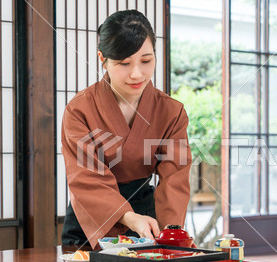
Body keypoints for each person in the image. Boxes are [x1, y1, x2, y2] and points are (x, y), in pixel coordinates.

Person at [61, 10, 192, 249]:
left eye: (146, 61)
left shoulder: (171, 112)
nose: (136, 74)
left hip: (149, 221)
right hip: (92, 219)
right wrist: (129, 218)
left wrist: (171, 235)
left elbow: (175, 179)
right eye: (124, 63)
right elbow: (85, 178)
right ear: (103, 58)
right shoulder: (80, 110)